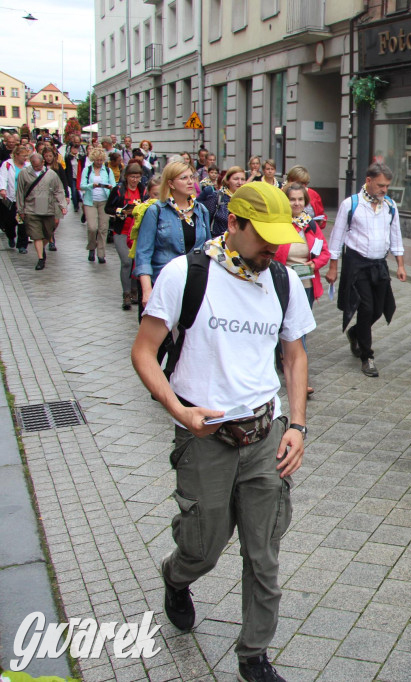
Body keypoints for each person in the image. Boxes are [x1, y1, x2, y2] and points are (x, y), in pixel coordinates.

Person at [130, 181, 314, 682]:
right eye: (263, 239)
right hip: (203, 435)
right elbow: (144, 351)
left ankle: (253, 654)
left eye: (280, 241)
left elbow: (294, 355)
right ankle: (177, 574)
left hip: (265, 435)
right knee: (204, 545)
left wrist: (296, 424)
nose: (273, 251)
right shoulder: (185, 275)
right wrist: (177, 409)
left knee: (264, 554)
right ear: (232, 224)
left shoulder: (282, 279)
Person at [324, 163, 406, 377]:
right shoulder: (351, 204)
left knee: (380, 308)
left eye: (387, 186)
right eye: (380, 185)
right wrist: (333, 267)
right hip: (357, 264)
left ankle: (356, 332)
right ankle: (367, 356)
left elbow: (395, 234)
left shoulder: (390, 205)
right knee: (366, 307)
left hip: (379, 264)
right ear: (368, 181)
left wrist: (400, 264)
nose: (384, 190)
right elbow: (338, 235)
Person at [134, 161, 211, 309]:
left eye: (192, 177)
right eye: (183, 178)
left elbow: (207, 248)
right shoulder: (156, 211)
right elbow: (143, 253)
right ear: (171, 183)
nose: (190, 181)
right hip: (164, 282)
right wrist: (147, 290)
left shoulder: (201, 210)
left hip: (193, 283)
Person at [275, 183, 330, 392]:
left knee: (299, 330)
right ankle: (284, 361)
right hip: (282, 282)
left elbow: (324, 252)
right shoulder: (278, 224)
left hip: (306, 283)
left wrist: (315, 264)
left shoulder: (310, 225)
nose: (297, 203)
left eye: (300, 200)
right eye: (292, 199)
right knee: (282, 328)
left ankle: (300, 378)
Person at [15, 152, 67, 271]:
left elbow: (59, 190)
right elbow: (20, 192)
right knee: (36, 234)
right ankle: (40, 258)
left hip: (47, 206)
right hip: (31, 208)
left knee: (48, 233)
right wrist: (21, 209)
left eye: (39, 166)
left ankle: (41, 248)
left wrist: (62, 205)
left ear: (43, 162)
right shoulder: (24, 173)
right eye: (34, 166)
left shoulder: (51, 174)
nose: (37, 168)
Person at [106, 163, 145, 310]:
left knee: (136, 262)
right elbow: (107, 208)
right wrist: (121, 211)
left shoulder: (143, 190)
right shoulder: (119, 190)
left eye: (137, 177)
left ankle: (135, 291)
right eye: (132, 177)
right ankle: (126, 294)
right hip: (121, 230)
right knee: (127, 262)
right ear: (126, 176)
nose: (134, 180)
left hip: (137, 231)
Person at [81, 147, 116, 264]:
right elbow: (82, 185)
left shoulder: (107, 170)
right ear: (93, 159)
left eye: (101, 160)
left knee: (103, 228)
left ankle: (101, 254)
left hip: (104, 201)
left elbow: (114, 185)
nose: (99, 162)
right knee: (92, 227)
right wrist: (92, 185)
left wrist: (110, 187)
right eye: (97, 160)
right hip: (90, 201)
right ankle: (91, 247)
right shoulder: (87, 170)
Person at [199, 165, 245, 238]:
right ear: (227, 180)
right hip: (219, 242)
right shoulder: (217, 196)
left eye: (242, 179)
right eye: (236, 179)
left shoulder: (246, 199)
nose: (240, 182)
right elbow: (205, 221)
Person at [0, 143, 30, 251]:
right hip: (11, 197)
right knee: (10, 221)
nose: (25, 158)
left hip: (24, 198)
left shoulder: (28, 166)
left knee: (23, 221)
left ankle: (22, 245)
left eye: (26, 156)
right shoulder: (7, 164)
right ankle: (11, 236)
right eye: (23, 156)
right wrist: (2, 189)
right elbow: (3, 177)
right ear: (16, 155)